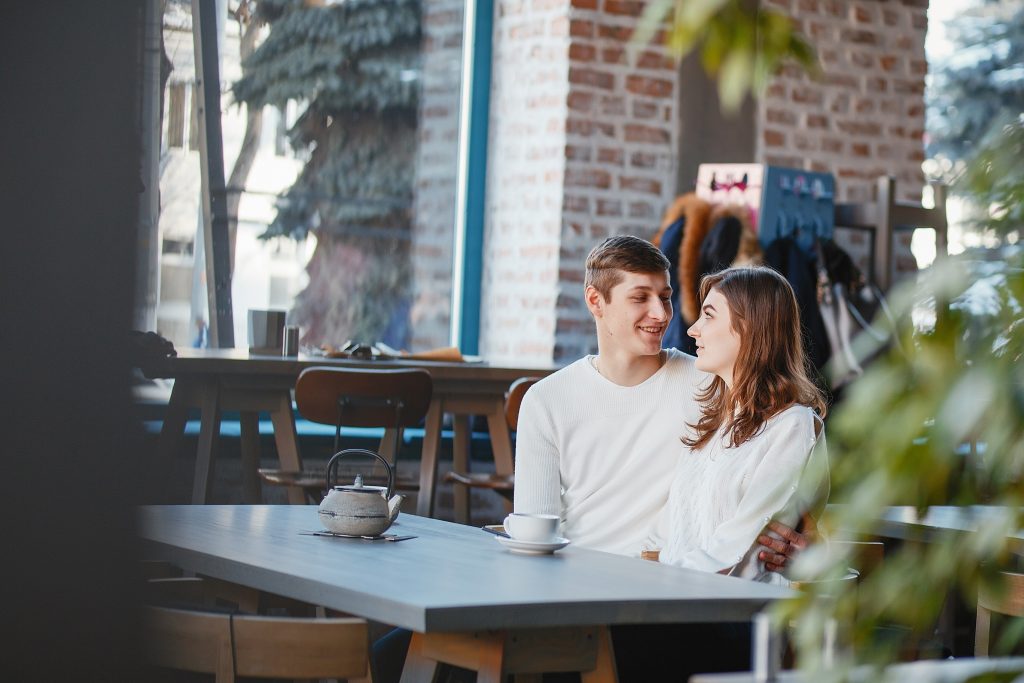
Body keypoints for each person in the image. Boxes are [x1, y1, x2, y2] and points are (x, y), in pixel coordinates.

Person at [514, 236, 808, 567]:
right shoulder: (546, 400)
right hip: (579, 579)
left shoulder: (714, 381)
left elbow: (788, 457)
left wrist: (810, 543)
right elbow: (535, 534)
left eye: (666, 298)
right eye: (640, 297)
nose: (660, 314)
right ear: (595, 301)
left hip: (672, 581)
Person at [655, 266, 829, 582]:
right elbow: (671, 532)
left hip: (732, 610)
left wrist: (658, 584)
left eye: (708, 316)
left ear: (749, 328)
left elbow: (742, 553)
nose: (693, 330)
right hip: (677, 599)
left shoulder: (793, 426)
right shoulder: (712, 423)